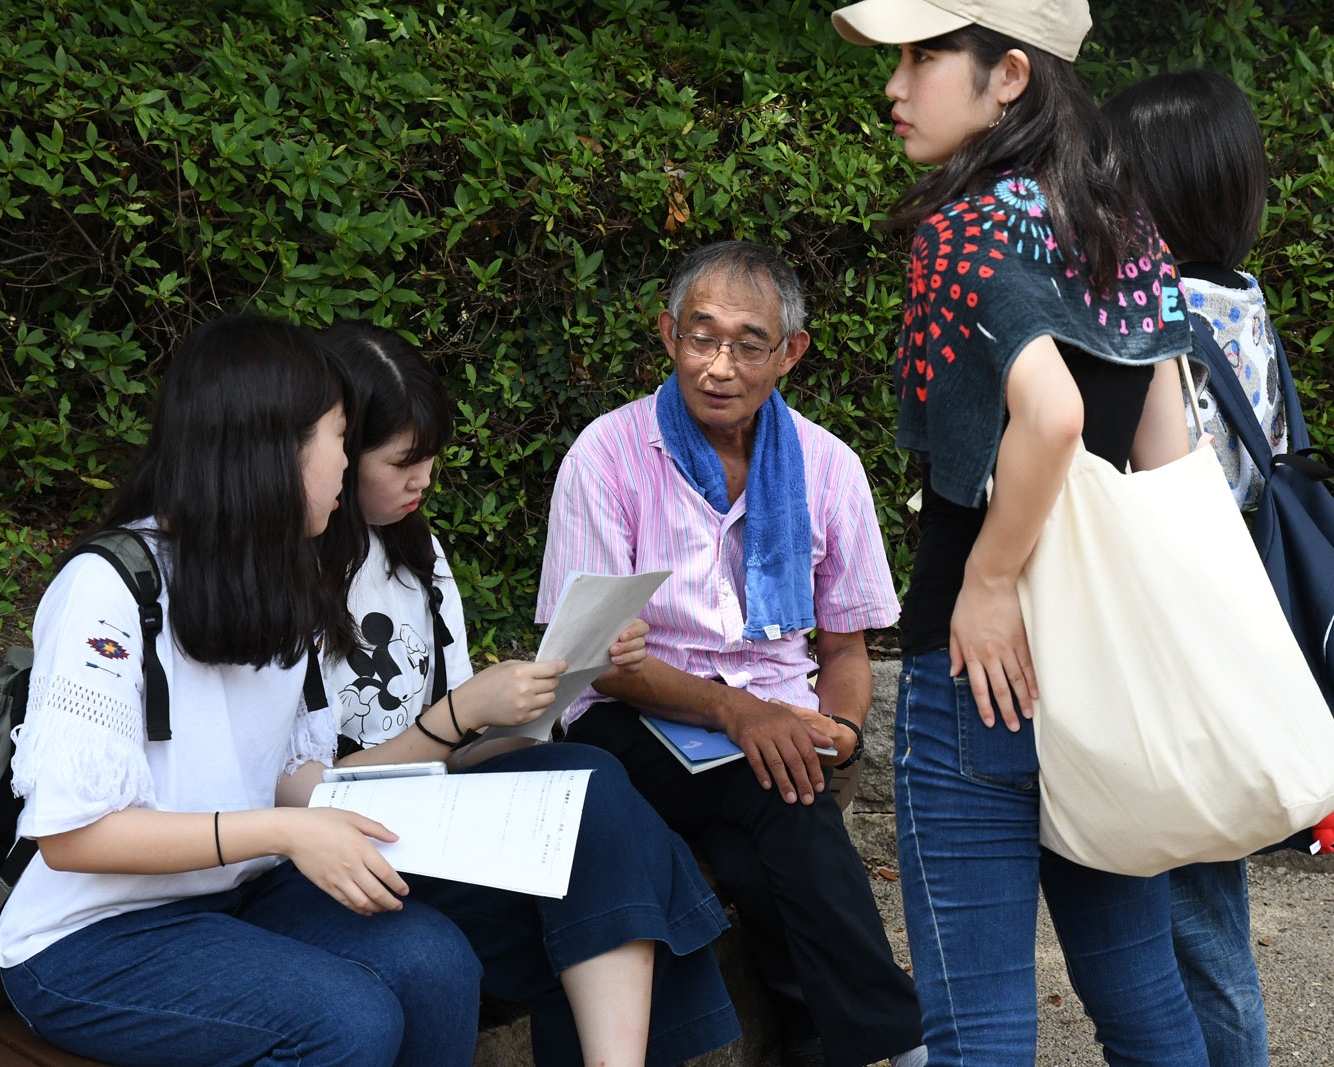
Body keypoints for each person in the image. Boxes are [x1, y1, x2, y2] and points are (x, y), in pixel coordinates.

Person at [831, 0, 1215, 1063]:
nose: (894, 86)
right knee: (1145, 1005)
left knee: (979, 1029)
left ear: (1009, 75)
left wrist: (991, 581)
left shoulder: (963, 229)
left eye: (922, 55)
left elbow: (1052, 415)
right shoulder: (1125, 227)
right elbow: (1169, 452)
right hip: (1099, 667)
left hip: (978, 668)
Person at [0, 316, 477, 1066]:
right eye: (339, 438)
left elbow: (285, 773)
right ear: (274, 451)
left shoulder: (281, 573)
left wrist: (410, 809)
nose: (347, 463)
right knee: (349, 1020)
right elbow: (72, 836)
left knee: (438, 963)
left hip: (233, 896)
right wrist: (287, 833)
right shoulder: (109, 587)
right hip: (90, 938)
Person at [539, 241, 927, 1067]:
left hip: (780, 720)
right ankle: (901, 1041)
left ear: (791, 351)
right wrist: (735, 710)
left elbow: (845, 649)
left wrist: (843, 731)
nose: (718, 367)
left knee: (758, 853)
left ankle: (811, 1040)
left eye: (748, 345)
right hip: (632, 716)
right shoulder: (607, 456)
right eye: (701, 337)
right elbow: (596, 656)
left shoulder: (829, 467)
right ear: (667, 333)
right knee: (779, 792)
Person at [314, 322, 739, 1067]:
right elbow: (305, 789)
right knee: (619, 853)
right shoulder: (281, 575)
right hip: (343, 841)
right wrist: (459, 716)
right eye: (404, 461)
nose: (424, 480)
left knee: (592, 787)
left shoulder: (415, 552)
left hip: (433, 812)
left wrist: (556, 685)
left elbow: (462, 750)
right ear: (337, 454)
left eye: (432, 457)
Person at [1104, 68, 1284, 1067]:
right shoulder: (1243, 304)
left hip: (1168, 641)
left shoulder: (1157, 316)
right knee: (1199, 910)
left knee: (1191, 926)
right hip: (1224, 628)